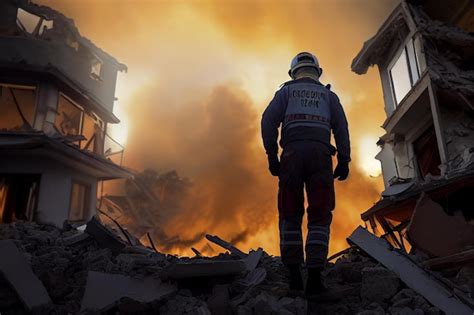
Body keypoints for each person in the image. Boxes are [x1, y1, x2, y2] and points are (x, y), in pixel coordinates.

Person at [261, 52, 351, 295]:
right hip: (321, 157)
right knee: (320, 214)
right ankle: (314, 279)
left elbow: (268, 121)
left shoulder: (286, 92)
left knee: (290, 212)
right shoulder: (329, 96)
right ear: (317, 72)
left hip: (291, 156)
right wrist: (344, 160)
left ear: (294, 72)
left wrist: (271, 156)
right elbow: (341, 128)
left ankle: (293, 278)